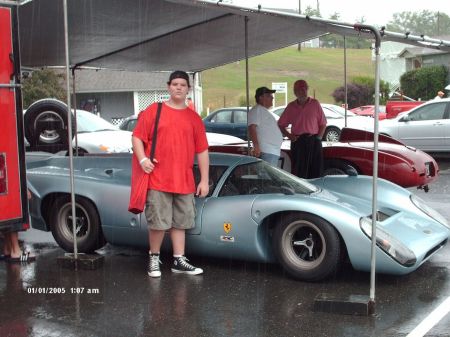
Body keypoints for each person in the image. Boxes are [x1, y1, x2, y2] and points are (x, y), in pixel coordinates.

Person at [132, 70, 209, 278]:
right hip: (158, 178)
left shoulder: (194, 118)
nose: (178, 87)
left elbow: (202, 150)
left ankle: (178, 259)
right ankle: (154, 258)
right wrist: (142, 160)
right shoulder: (154, 110)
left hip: (184, 180)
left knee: (181, 222)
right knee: (158, 222)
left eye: (182, 85)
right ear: (168, 87)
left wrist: (203, 180)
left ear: (188, 89)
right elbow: (137, 137)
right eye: (174, 84)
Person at [277, 79, 327, 179]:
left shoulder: (315, 104)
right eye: (299, 89)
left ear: (307, 89)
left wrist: (318, 138)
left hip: (314, 140)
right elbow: (281, 124)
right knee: (299, 172)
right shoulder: (291, 107)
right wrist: (290, 136)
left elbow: (323, 123)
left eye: (304, 89)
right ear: (295, 92)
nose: (302, 91)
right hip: (298, 142)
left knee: (316, 170)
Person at [247, 87, 283, 166]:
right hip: (267, 151)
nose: (272, 97)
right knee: (266, 177)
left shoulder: (263, 111)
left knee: (268, 177)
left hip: (271, 151)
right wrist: (256, 147)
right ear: (261, 97)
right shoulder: (256, 110)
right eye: (269, 95)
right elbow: (252, 127)